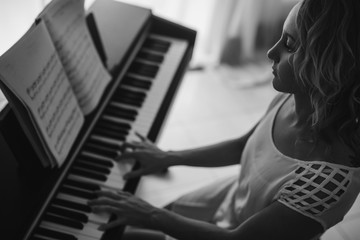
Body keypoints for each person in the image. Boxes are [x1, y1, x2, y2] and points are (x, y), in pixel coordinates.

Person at [88, 0, 360, 239]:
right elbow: (244, 146)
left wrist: (151, 215)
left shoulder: (328, 183)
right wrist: (169, 157)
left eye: (289, 44)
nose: (270, 52)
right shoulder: (294, 98)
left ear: (330, 65)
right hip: (231, 200)